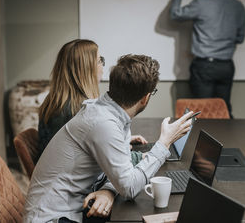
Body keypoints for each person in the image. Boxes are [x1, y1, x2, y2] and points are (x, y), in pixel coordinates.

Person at [24, 54, 193, 223]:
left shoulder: (110, 111)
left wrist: (109, 190)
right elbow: (130, 188)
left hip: (71, 206)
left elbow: (120, 172)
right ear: (145, 98)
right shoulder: (104, 124)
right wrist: (164, 143)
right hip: (52, 218)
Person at [37, 39, 145, 164]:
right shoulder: (77, 110)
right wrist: (140, 156)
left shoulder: (56, 100)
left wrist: (119, 141)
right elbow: (104, 160)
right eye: (100, 60)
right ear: (86, 68)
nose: (103, 66)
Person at [170, 0, 245, 118]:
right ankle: (227, 141)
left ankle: (203, 143)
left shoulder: (202, 4)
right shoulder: (238, 7)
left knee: (202, 112)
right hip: (226, 66)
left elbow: (175, 15)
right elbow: (240, 37)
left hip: (204, 66)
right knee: (224, 111)